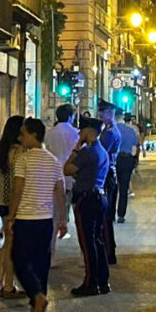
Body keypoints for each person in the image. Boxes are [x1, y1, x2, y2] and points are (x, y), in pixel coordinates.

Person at [8, 118, 67, 312]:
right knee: (42, 263)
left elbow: (18, 189)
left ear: (34, 135)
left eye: (23, 133)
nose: (20, 137)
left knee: (19, 260)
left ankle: (37, 298)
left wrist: (11, 216)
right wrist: (63, 219)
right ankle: (37, 305)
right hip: (45, 220)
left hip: (25, 218)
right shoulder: (53, 160)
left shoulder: (23, 160)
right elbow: (60, 192)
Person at [64, 118, 110, 297]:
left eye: (81, 131)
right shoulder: (102, 152)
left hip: (86, 199)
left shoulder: (86, 152)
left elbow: (66, 169)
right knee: (98, 240)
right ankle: (102, 280)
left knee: (87, 243)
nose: (79, 134)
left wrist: (76, 147)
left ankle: (91, 283)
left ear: (89, 132)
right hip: (99, 197)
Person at [0, 115, 26, 300]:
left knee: (8, 245)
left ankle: (0, 284)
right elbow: (20, 182)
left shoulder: (0, 150)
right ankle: (7, 286)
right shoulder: (19, 152)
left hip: (1, 203)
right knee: (12, 247)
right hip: (15, 205)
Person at [45, 103, 79, 247]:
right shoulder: (76, 133)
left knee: (54, 214)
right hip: (72, 175)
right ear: (71, 117)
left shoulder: (49, 133)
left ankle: (51, 251)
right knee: (76, 211)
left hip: (53, 176)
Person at [98, 100, 121, 264]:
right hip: (109, 174)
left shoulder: (110, 133)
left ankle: (108, 251)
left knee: (105, 216)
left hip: (107, 176)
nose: (100, 115)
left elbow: (102, 153)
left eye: (102, 113)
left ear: (110, 114)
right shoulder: (109, 130)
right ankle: (108, 248)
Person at [115, 112, 140, 223]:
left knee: (112, 189)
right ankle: (121, 214)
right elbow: (134, 152)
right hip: (127, 160)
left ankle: (110, 214)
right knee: (123, 188)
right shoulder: (131, 131)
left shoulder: (111, 131)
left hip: (114, 160)